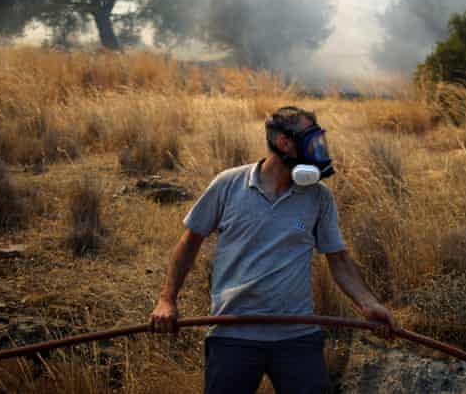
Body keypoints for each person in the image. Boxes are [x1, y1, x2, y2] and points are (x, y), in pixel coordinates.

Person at [149, 106, 397, 394]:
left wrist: (369, 304)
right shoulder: (228, 184)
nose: (318, 150)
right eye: (310, 141)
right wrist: (167, 300)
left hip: (297, 336)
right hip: (232, 332)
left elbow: (339, 260)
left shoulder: (319, 197)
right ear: (284, 143)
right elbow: (189, 243)